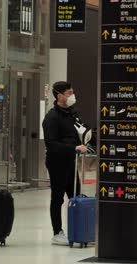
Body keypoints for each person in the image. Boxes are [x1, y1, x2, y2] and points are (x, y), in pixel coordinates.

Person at [42, 81, 88, 246]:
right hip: (57, 162)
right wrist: (73, 147)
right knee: (57, 197)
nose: (72, 96)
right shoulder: (51, 118)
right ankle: (57, 232)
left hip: (71, 162)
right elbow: (51, 144)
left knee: (76, 196)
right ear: (59, 95)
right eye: (69, 93)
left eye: (72, 92)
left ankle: (79, 229)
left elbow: (81, 131)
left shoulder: (73, 114)